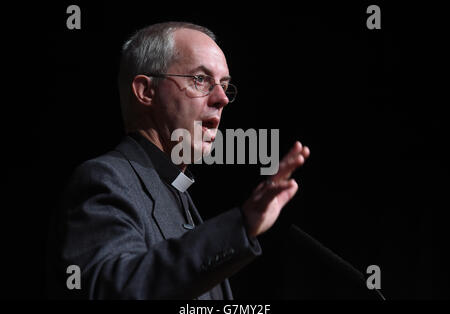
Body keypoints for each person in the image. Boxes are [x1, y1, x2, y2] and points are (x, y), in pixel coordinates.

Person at [47, 21, 310, 299]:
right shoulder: (105, 180)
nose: (222, 98)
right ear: (146, 91)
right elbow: (113, 290)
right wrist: (240, 226)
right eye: (200, 79)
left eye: (225, 85)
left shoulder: (177, 190)